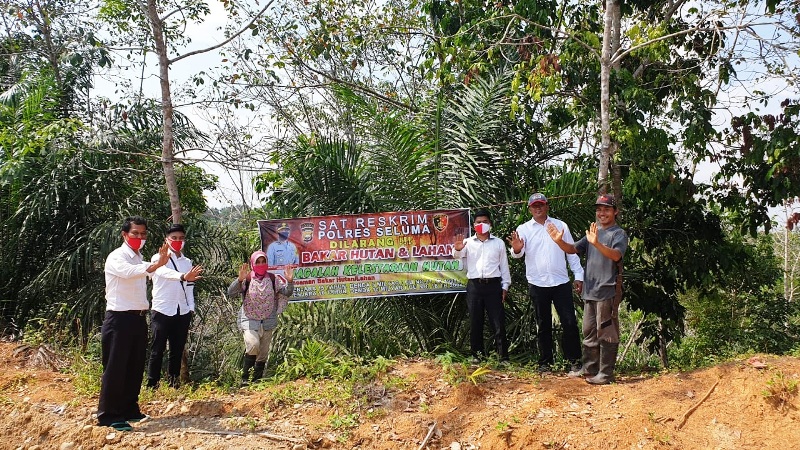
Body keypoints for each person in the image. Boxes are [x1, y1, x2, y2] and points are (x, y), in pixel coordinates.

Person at [547, 193, 629, 385]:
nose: (602, 213)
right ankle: (589, 368)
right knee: (589, 331)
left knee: (606, 332)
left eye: (607, 209)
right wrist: (558, 241)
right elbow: (572, 249)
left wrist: (597, 243)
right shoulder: (593, 232)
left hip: (607, 290)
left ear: (615, 212)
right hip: (590, 290)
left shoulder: (618, 234)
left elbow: (616, 256)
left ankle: (606, 374)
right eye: (599, 209)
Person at [98, 216, 170, 431]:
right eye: (135, 233)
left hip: (138, 318)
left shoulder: (139, 259)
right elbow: (129, 272)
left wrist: (158, 265)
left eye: (143, 234)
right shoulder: (117, 257)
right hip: (119, 319)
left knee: (134, 365)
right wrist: (156, 265)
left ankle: (129, 409)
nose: (139, 237)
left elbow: (149, 269)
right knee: (115, 367)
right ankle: (109, 415)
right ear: (124, 235)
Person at [508, 193, 584, 373]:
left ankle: (574, 361)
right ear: (529, 209)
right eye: (534, 206)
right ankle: (545, 363)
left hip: (561, 282)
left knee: (570, 322)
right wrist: (517, 249)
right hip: (537, 283)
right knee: (543, 324)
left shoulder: (560, 225)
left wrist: (579, 275)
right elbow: (517, 253)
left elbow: (571, 252)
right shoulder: (524, 229)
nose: (538, 208)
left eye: (541, 204)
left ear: (547, 206)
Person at [146, 224, 204, 388]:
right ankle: (152, 383)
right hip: (162, 309)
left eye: (181, 238)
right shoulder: (157, 259)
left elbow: (190, 286)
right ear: (167, 240)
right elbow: (163, 272)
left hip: (182, 310)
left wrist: (191, 307)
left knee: (177, 349)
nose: (178, 241)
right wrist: (183, 276)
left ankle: (174, 382)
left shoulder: (187, 262)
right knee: (157, 348)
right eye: (174, 238)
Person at [452, 209, 512, 363]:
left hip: (494, 286)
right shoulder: (467, 242)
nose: (482, 225)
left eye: (485, 222)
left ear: (490, 224)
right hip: (474, 287)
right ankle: (477, 355)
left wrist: (505, 286)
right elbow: (457, 256)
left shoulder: (498, 243)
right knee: (475, 321)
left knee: (498, 322)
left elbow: (504, 267)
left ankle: (503, 357)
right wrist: (457, 248)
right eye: (479, 222)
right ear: (474, 225)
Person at [228, 250, 294, 385]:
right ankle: (245, 379)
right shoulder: (247, 278)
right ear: (253, 263)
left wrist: (290, 281)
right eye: (258, 262)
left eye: (263, 261)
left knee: (263, 353)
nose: (261, 264)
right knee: (253, 345)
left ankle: (257, 382)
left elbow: (286, 292)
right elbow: (231, 293)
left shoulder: (273, 279)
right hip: (250, 319)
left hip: (268, 320)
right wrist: (239, 280)